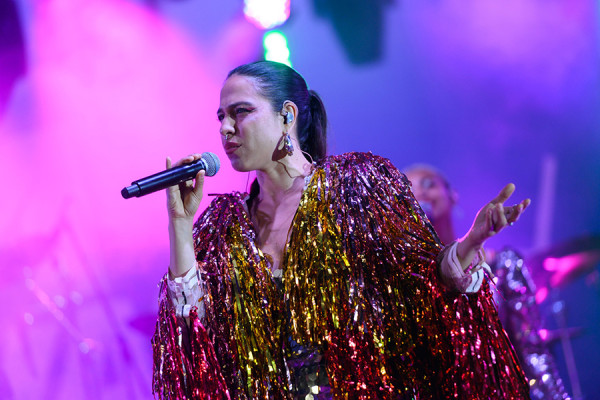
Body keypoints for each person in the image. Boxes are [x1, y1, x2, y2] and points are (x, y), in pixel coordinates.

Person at [152, 60, 531, 399]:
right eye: (221, 116)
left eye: (241, 112)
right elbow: (192, 330)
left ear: (287, 115)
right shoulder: (225, 225)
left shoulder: (356, 186)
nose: (225, 128)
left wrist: (472, 240)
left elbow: (424, 280)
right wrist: (180, 223)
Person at [404, 164, 570, 400]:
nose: (419, 192)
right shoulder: (406, 280)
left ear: (453, 195)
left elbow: (532, 350)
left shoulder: (502, 265)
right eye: (408, 189)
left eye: (428, 184)